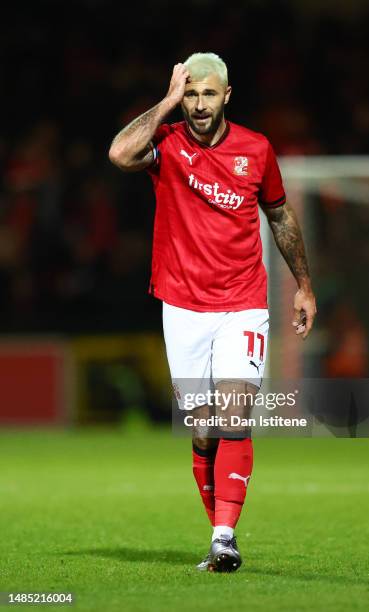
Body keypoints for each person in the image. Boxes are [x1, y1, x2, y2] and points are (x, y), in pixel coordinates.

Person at [109, 52, 316, 572]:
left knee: (233, 414)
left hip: (243, 302)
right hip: (182, 305)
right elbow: (118, 154)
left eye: (207, 94)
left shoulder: (256, 149)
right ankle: (218, 534)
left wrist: (304, 285)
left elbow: (280, 215)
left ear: (227, 95)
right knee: (202, 431)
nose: (199, 105)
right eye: (192, 94)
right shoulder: (167, 144)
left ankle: (225, 538)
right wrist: (166, 101)